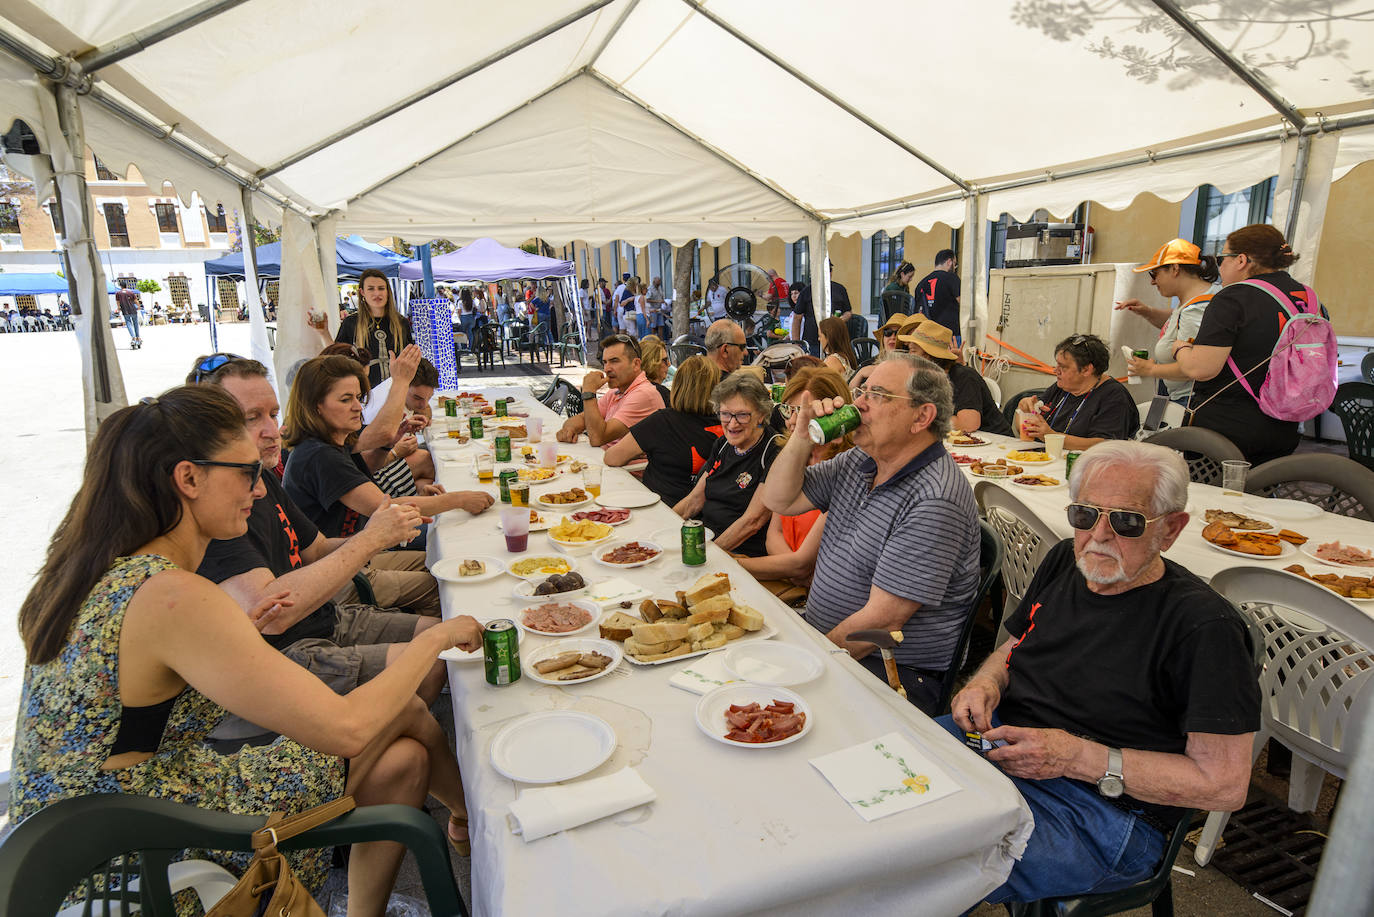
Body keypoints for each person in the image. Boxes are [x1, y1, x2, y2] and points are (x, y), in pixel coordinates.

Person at [10, 386, 484, 908]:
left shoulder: (105, 568)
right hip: (140, 855)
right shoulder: (170, 594)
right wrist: (437, 638)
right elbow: (347, 728)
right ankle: (476, 820)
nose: (259, 490)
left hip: (84, 838)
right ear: (189, 479)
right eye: (247, 473)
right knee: (397, 715)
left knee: (404, 759)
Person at [945, 440, 1259, 905]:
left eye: (1127, 521)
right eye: (1085, 515)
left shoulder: (1204, 628)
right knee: (876, 786)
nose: (1099, 536)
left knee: (924, 858)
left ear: (1171, 530)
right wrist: (986, 681)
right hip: (1004, 746)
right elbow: (1014, 646)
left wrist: (1075, 758)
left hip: (1105, 811)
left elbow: (1225, 785)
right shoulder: (1063, 562)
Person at [189, 356, 451, 744]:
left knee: (442, 631)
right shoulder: (218, 512)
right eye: (251, 418)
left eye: (273, 414)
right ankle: (394, 738)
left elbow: (316, 549)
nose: (273, 430)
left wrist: (378, 535)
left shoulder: (267, 476)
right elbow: (274, 616)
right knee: (433, 648)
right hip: (296, 644)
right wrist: (375, 538)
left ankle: (401, 732)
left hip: (326, 613)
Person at [761, 353, 979, 713]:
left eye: (877, 395)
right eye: (861, 391)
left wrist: (808, 664)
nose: (858, 403)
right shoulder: (861, 460)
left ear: (921, 417)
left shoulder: (935, 498)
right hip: (830, 643)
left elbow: (881, 623)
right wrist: (802, 437)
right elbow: (779, 499)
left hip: (892, 670)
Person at [281, 356, 494, 613]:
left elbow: (366, 475)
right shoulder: (319, 455)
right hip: (337, 576)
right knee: (447, 585)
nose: (358, 407)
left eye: (358, 398)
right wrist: (458, 499)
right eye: (346, 400)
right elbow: (386, 506)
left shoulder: (330, 442)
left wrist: (387, 447)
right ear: (316, 406)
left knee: (447, 558)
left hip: (355, 556)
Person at [1172, 224, 1325, 465]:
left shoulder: (1232, 298)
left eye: (1222, 258)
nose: (1219, 266)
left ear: (1241, 260)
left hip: (1226, 427)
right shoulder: (1310, 298)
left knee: (1210, 490)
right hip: (1285, 425)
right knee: (1263, 487)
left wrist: (1180, 349)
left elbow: (1201, 369)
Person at [737, 367, 853, 587]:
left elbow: (802, 563)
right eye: (788, 410)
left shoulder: (843, 469)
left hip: (819, 590)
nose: (792, 420)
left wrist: (731, 565)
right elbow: (774, 534)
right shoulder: (792, 460)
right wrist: (791, 573)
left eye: (801, 411)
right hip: (788, 582)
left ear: (833, 413)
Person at [673, 373, 782, 556]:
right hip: (708, 540)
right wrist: (663, 526)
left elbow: (753, 521)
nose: (732, 424)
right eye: (725, 414)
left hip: (740, 552)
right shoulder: (723, 444)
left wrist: (708, 554)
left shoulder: (775, 451)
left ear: (761, 415)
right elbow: (695, 500)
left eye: (742, 415)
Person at [606, 356, 723, 505]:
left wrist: (646, 448)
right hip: (706, 507)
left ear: (678, 385)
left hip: (659, 505)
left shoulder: (662, 421)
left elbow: (612, 458)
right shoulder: (730, 425)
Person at [1117, 239, 1218, 405]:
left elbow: (1194, 366)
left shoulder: (1197, 309)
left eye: (1154, 274)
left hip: (1190, 400)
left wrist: (1150, 369)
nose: (1152, 282)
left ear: (1175, 269)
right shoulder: (1197, 298)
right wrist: (1147, 312)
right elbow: (1177, 322)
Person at [1016, 334, 1140, 448]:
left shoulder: (1114, 396)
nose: (1055, 371)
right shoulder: (1063, 386)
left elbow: (1105, 445)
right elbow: (1024, 427)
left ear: (1086, 370)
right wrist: (1023, 411)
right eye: (1057, 365)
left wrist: (1051, 436)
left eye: (1063, 367)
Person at [902, 320, 1013, 436]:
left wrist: (923, 417)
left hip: (998, 442)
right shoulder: (928, 380)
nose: (909, 356)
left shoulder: (964, 376)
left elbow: (968, 424)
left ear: (928, 356)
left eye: (913, 351)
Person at [556, 334, 666, 447]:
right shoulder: (616, 391)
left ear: (636, 364)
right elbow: (582, 418)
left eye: (614, 361)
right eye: (605, 362)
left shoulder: (644, 394)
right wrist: (569, 429)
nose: (607, 369)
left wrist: (589, 392)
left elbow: (598, 438)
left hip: (622, 459)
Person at [336, 268, 412, 387]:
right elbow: (336, 357)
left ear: (387, 291)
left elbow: (410, 359)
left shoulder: (401, 323)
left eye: (381, 288)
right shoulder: (351, 323)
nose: (377, 293)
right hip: (365, 391)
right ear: (362, 292)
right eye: (371, 289)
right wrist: (323, 333)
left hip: (397, 389)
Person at [916, 249, 961, 344]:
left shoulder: (920, 284)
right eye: (955, 264)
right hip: (950, 336)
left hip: (927, 336)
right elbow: (963, 304)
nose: (954, 267)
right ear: (949, 262)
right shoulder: (952, 278)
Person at [638, 336, 672, 404]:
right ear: (652, 363)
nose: (669, 364)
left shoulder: (634, 389)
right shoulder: (661, 394)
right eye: (665, 360)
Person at [115, 282, 142, 349]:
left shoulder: (118, 293)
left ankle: (133, 338)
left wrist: (119, 308)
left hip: (125, 311)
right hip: (133, 310)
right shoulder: (130, 292)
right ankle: (138, 338)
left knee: (128, 323)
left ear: (121, 286)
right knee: (135, 324)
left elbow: (118, 302)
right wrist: (139, 306)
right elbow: (136, 301)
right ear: (126, 286)